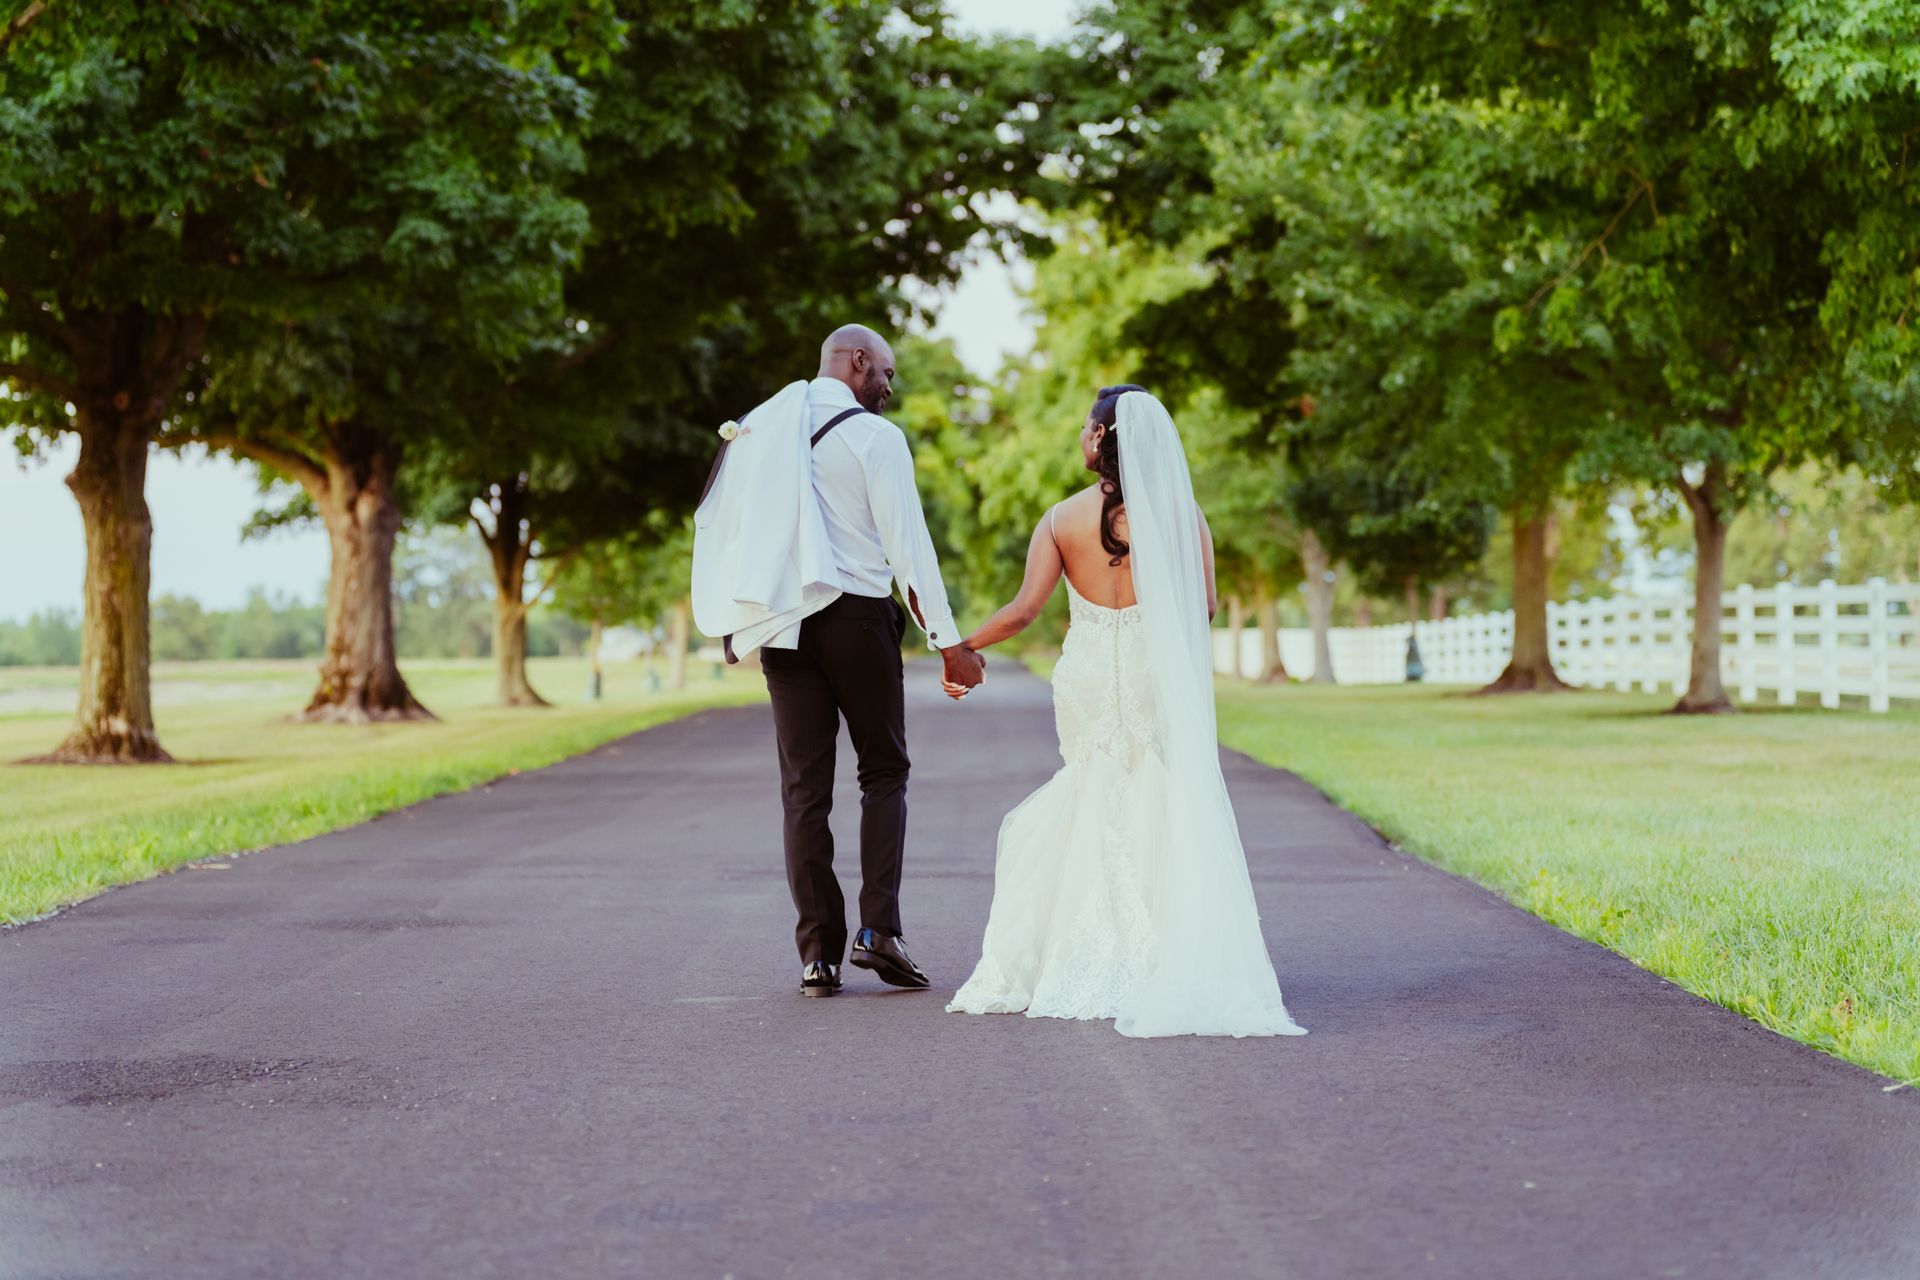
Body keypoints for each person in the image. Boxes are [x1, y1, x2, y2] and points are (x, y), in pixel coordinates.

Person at [944, 386, 1306, 1038]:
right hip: (1149, 672)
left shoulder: (1059, 519)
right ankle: (1163, 954)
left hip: (1086, 672)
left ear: (1104, 440)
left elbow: (1025, 610)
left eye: (1087, 428)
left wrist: (963, 647)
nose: (1081, 438)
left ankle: (1077, 953)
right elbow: (1205, 607)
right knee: (1154, 792)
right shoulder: (1181, 513)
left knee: (1091, 787)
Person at [691, 323, 985, 998]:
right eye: (886, 373)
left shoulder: (760, 432)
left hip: (786, 625)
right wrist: (948, 641)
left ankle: (817, 956)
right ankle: (879, 931)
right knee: (883, 771)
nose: (890, 387)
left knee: (804, 791)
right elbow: (908, 546)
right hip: (855, 616)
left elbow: (724, 528)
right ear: (856, 362)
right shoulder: (875, 438)